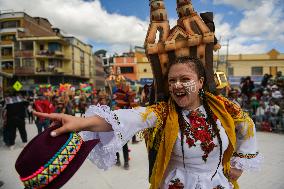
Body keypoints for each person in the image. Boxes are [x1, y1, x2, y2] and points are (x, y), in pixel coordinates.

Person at [34, 57, 262, 189]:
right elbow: (129, 117)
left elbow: (246, 126)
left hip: (217, 183)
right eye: (172, 80)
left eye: (185, 79)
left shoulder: (224, 108)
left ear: (200, 82)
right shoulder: (162, 113)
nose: (177, 85)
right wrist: (81, 122)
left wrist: (239, 164)